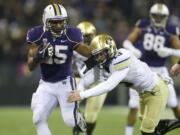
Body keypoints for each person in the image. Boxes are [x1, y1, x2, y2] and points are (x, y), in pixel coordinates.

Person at [67, 34, 180, 135]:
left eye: (101, 54)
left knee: (146, 130)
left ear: (110, 49)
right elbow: (88, 78)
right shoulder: (106, 63)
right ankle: (162, 126)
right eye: (96, 55)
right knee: (145, 122)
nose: (98, 58)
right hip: (143, 93)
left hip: (156, 91)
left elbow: (108, 85)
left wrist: (82, 95)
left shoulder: (121, 59)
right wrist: (79, 88)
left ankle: (167, 125)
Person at [26, 4, 91, 135]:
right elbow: (30, 66)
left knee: (70, 122)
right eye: (54, 22)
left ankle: (78, 117)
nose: (59, 26)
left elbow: (88, 53)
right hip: (46, 83)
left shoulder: (72, 34)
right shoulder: (37, 34)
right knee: (38, 118)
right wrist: (39, 56)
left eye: (61, 22)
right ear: (46, 21)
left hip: (65, 82)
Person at [122, 3, 180, 135]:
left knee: (174, 104)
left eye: (161, 16)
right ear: (150, 15)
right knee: (133, 105)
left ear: (166, 17)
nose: (158, 18)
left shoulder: (170, 29)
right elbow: (127, 42)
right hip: (141, 71)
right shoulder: (143, 25)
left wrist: (169, 50)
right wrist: (133, 50)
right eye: (155, 15)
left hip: (161, 72)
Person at [72, 21, 109, 135]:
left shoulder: (101, 45)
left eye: (88, 36)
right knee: (69, 103)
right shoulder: (73, 46)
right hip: (81, 79)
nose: (85, 39)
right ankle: (78, 121)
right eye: (82, 36)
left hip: (98, 81)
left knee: (91, 117)